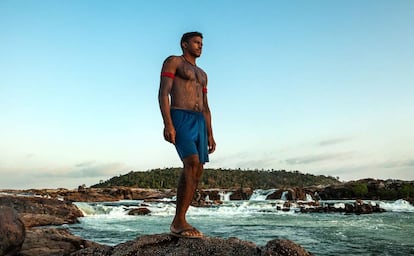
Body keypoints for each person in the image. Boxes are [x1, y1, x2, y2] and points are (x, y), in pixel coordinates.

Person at [158, 31, 216, 238]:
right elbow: (163, 93)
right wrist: (168, 124)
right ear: (184, 44)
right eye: (196, 42)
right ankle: (178, 222)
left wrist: (210, 133)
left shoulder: (203, 74)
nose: (200, 46)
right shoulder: (174, 62)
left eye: (202, 43)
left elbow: (206, 106)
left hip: (199, 120)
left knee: (198, 169)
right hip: (180, 116)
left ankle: (181, 219)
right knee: (190, 161)